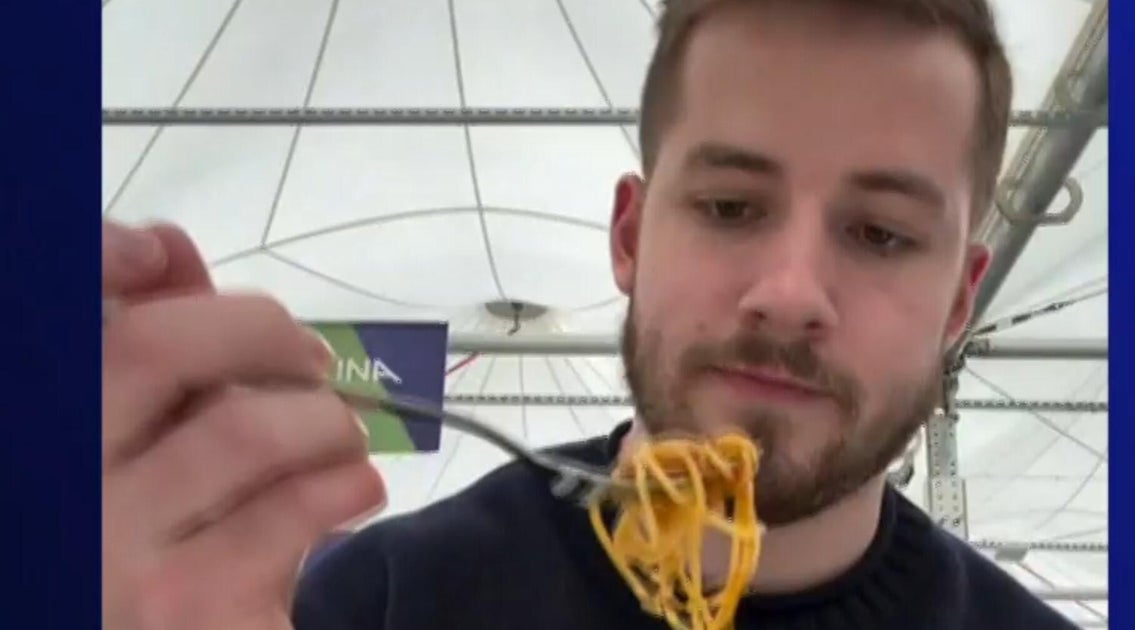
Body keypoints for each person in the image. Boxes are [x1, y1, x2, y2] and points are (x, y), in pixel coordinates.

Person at [102, 0, 1080, 629]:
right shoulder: (388, 602)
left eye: (880, 233)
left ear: (960, 301)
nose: (789, 292)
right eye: (730, 207)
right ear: (631, 237)